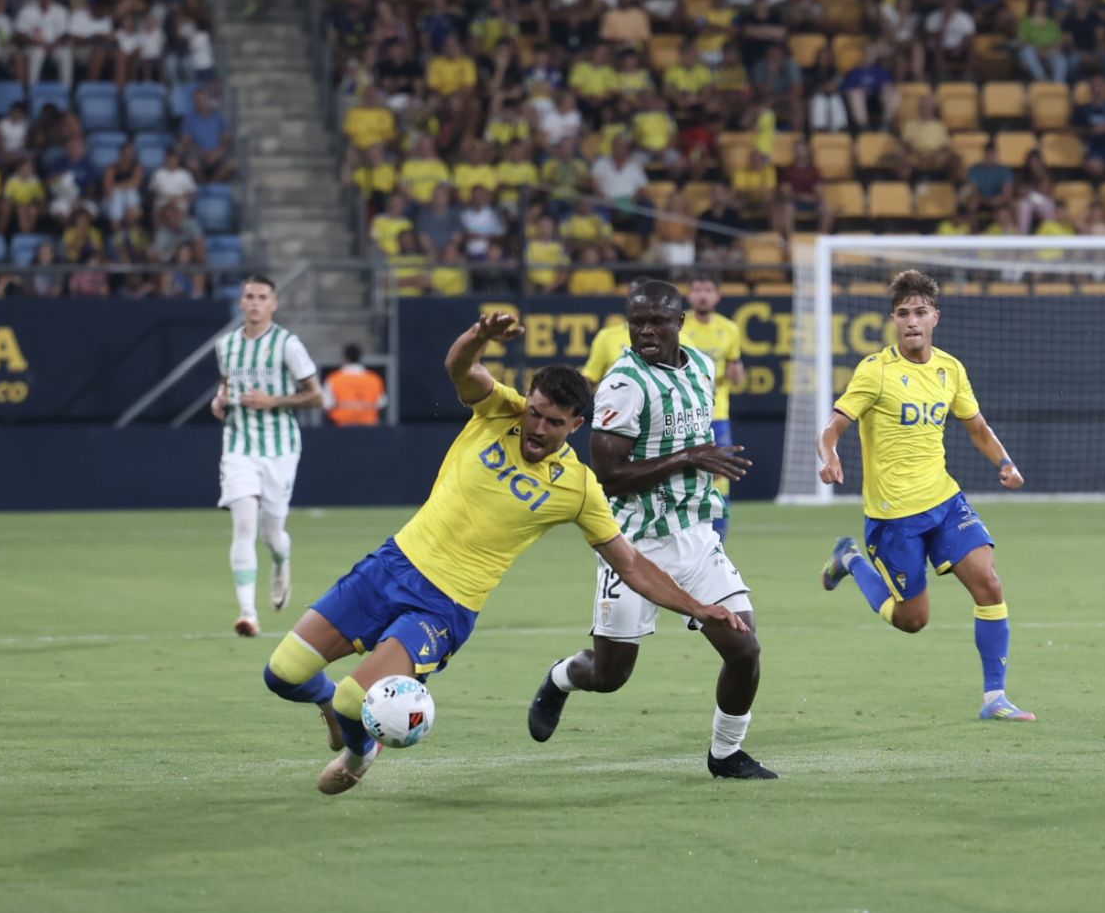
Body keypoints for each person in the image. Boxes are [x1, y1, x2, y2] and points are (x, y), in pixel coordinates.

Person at [261, 313, 746, 795]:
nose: (537, 427)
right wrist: (479, 336)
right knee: (282, 675)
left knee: (355, 701)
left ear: (576, 425)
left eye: (554, 422)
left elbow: (633, 564)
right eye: (534, 412)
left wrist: (698, 608)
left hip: (443, 607)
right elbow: (458, 367)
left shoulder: (578, 488)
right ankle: (325, 705)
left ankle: (359, 751)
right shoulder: (500, 411)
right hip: (390, 565)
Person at [528, 282, 773, 780]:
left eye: (656, 322)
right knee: (610, 674)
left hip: (695, 536)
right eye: (635, 322)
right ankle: (561, 678)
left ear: (680, 321)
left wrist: (698, 460)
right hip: (634, 544)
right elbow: (609, 474)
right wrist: (689, 457)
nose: (645, 332)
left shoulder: (703, 366)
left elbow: (693, 437)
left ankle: (725, 755)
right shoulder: (624, 383)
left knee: (745, 648)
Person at [814, 270, 1034, 722]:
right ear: (893, 320)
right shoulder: (875, 372)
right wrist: (830, 456)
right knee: (913, 620)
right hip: (895, 517)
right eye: (902, 314)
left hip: (945, 501)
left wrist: (1005, 463)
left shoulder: (949, 369)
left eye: (920, 312)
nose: (912, 321)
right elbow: (832, 428)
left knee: (990, 584)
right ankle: (852, 560)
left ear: (935, 316)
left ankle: (995, 697)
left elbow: (977, 427)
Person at [210, 275, 322, 636]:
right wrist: (219, 400)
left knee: (272, 534)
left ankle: (281, 560)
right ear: (241, 302)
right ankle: (247, 613)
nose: (255, 302)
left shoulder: (287, 345)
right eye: (249, 296)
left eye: (262, 297)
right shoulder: (226, 345)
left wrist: (274, 401)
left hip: (280, 449)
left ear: (273, 304)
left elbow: (317, 396)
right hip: (239, 446)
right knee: (244, 524)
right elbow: (227, 386)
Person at [680, 274, 746, 540]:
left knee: (721, 473)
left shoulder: (729, 329)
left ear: (718, 295)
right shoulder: (680, 327)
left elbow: (734, 366)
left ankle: (719, 532)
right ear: (690, 295)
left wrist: (736, 373)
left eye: (708, 289)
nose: (703, 295)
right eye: (698, 289)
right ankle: (685, 529)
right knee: (685, 469)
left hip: (718, 414)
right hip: (688, 412)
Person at [580, 277, 648, 385]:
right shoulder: (607, 336)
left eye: (645, 297)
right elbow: (590, 378)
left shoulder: (672, 336)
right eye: (633, 296)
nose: (638, 301)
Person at [323, 344, 387, 427]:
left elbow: (327, 404)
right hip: (369, 428)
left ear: (345, 358)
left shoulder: (333, 379)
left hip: (341, 428)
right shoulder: (374, 379)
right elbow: (381, 404)